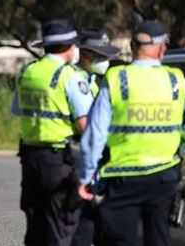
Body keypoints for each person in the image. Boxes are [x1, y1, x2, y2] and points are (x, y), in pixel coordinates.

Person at [78, 20, 185, 246]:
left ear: (132, 46)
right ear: (162, 49)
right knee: (158, 238)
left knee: (120, 239)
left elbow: (95, 134)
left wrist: (86, 176)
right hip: (164, 176)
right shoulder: (176, 80)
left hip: (123, 178)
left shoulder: (118, 78)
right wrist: (183, 154)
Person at [13, 19, 93, 246]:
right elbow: (84, 124)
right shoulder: (70, 76)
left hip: (30, 160)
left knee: (35, 228)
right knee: (60, 228)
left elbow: (18, 110)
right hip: (60, 161)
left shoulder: (27, 72)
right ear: (68, 46)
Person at [70, 29, 120, 246]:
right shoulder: (75, 79)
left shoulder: (93, 80)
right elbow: (86, 126)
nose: (105, 62)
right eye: (101, 57)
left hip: (95, 156)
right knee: (83, 225)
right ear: (85, 54)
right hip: (79, 155)